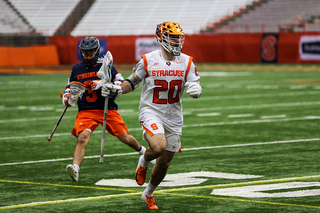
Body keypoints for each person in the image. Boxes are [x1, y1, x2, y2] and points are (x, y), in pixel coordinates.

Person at [102, 22, 202, 209]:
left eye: (178, 37)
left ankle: (148, 193)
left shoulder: (187, 61)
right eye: (173, 37)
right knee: (158, 147)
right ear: (161, 38)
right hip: (151, 111)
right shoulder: (148, 59)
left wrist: (197, 88)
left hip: (174, 116)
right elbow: (131, 82)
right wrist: (117, 90)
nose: (177, 41)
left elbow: (194, 82)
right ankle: (145, 159)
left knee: (164, 163)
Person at [62, 36, 149, 182]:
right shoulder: (77, 69)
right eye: (85, 52)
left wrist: (103, 84)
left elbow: (120, 82)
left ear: (97, 51)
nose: (87, 55)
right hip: (86, 110)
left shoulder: (106, 65)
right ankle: (75, 168)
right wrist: (67, 98)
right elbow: (70, 87)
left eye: (90, 52)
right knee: (82, 137)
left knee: (124, 137)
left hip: (107, 109)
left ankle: (143, 151)